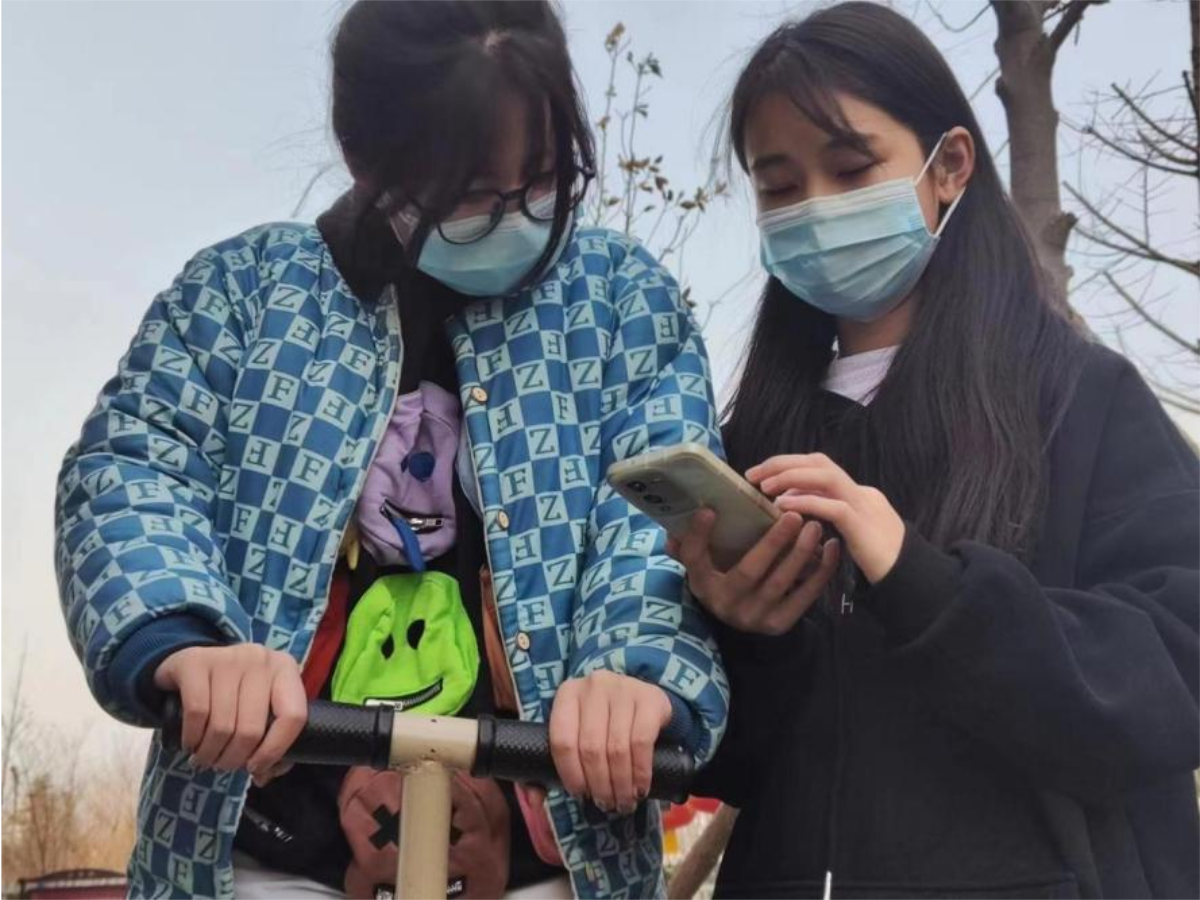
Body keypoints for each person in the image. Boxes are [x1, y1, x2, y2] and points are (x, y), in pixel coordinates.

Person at [53, 1, 729, 897]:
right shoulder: (243, 294)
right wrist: (188, 639)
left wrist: (632, 674)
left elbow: (662, 516)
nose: (516, 215)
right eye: (471, 192)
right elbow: (135, 467)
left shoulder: (620, 304)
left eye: (542, 180)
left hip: (552, 857)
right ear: (366, 158)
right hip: (264, 852)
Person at [669, 4, 1200, 899]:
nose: (817, 209)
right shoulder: (754, 436)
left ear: (949, 165)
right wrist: (747, 638)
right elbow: (740, 765)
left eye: (851, 168)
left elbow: (1173, 671)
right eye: (780, 186)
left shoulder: (1079, 397)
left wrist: (926, 583)